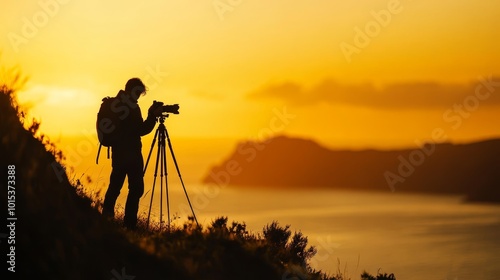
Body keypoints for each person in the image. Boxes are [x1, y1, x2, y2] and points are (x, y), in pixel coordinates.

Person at [102, 77, 164, 229]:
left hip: (118, 154)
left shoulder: (116, 104)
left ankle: (105, 220)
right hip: (132, 155)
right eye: (138, 93)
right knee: (136, 189)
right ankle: (129, 226)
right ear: (133, 90)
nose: (138, 97)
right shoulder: (132, 107)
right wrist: (151, 116)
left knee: (114, 187)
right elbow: (140, 130)